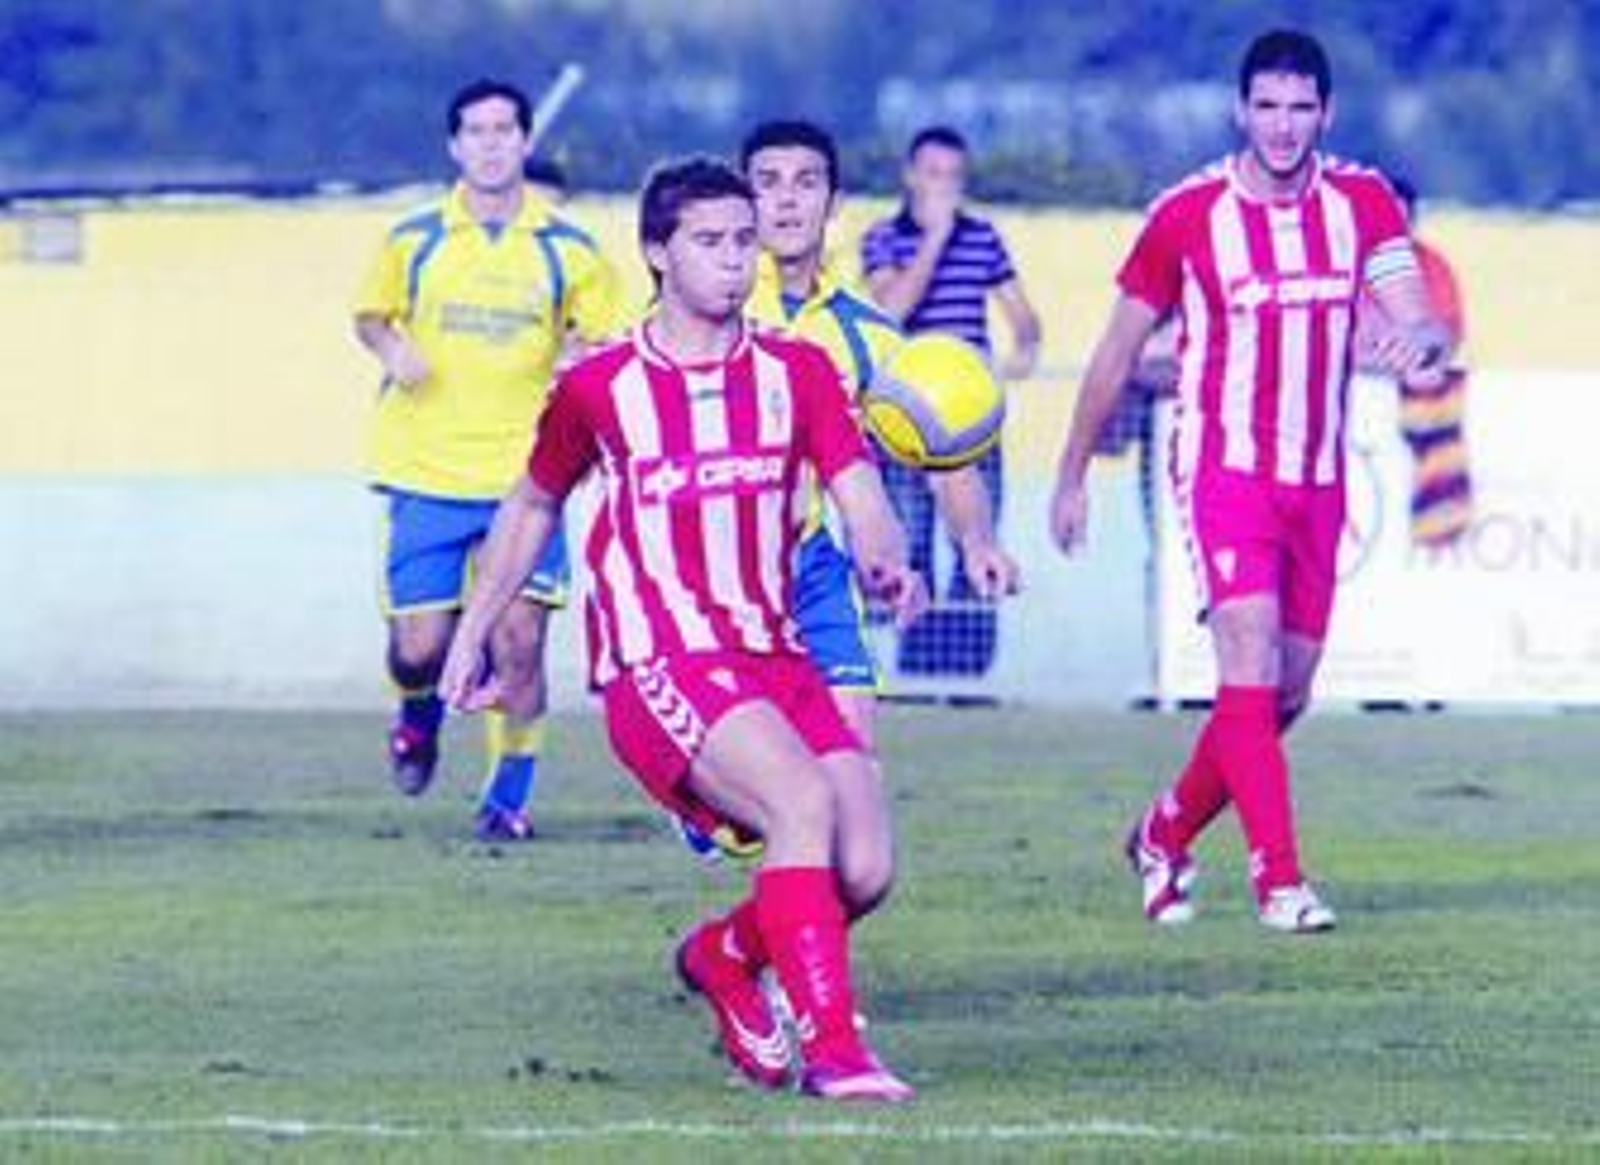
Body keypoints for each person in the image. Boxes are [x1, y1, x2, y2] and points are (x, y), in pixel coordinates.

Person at [440, 158, 922, 1102]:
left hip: (775, 654)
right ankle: (835, 1052)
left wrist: (883, 555)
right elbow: (533, 506)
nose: (736, 262)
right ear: (658, 253)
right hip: (657, 658)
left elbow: (860, 490)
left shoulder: (800, 370)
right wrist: (475, 629)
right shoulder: (602, 387)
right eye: (711, 242)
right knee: (800, 805)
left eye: (746, 240)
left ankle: (722, 957)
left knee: (863, 867)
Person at [1050, 29, 1453, 934]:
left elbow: (1419, 317)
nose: (1281, 125)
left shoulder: (1363, 200)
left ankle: (1162, 832)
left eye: (1299, 107)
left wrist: (1413, 343)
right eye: (1265, 106)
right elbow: (1116, 350)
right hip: (1224, 470)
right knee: (1246, 664)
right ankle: (1281, 879)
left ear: (1326, 113)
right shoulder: (1187, 214)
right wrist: (1072, 471)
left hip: (1318, 477)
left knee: (1285, 695)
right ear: (1241, 111)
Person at [353, 79, 622, 841]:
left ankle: (509, 795)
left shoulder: (570, 250)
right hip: (425, 471)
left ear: (526, 142)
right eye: (475, 130)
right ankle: (417, 710)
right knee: (420, 648)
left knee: (519, 642)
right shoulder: (414, 238)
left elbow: (599, 338)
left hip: (526, 482)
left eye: (505, 129)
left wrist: (580, 357)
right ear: (454, 145)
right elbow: (370, 315)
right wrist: (391, 345)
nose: (492, 142)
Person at [861, 126, 1042, 676]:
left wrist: (1020, 354)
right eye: (934, 174)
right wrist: (936, 239)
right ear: (911, 176)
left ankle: (966, 677)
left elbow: (1023, 317)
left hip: (968, 426)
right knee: (910, 542)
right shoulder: (883, 238)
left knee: (977, 540)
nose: (944, 187)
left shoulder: (984, 238)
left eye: (954, 177)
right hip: (903, 423)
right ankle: (917, 670)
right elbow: (890, 309)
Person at [1355, 176, 1473, 546]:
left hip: (1407, 383)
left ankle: (1438, 523)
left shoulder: (1431, 266)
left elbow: (1447, 332)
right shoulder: (1345, 265)